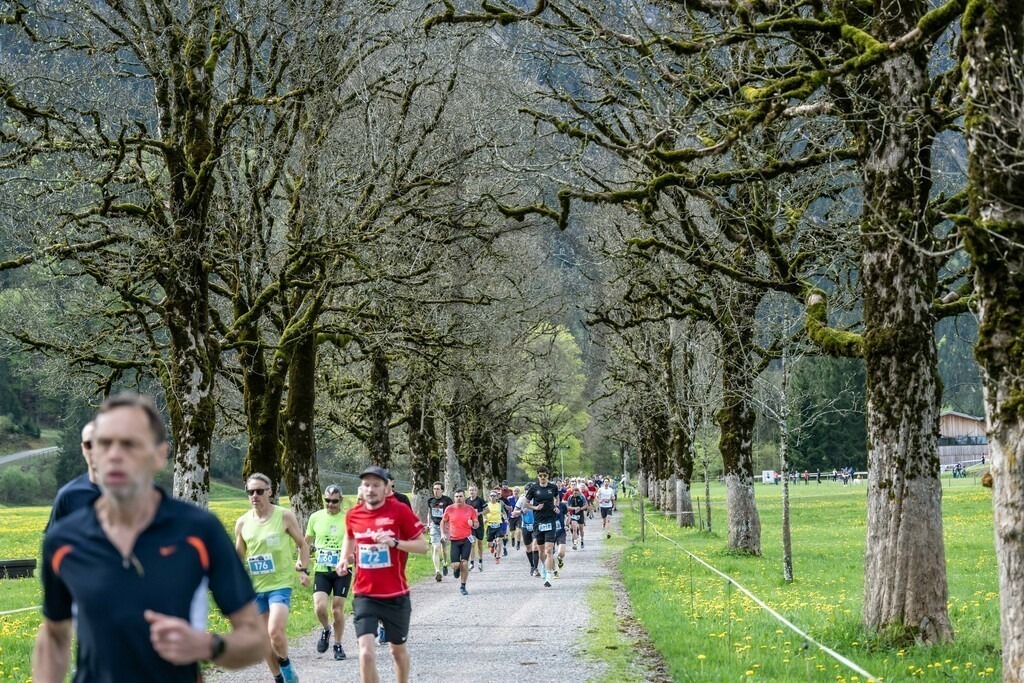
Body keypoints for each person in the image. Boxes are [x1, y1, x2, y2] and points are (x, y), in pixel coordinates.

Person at [33, 393, 268, 682]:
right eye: (104, 443)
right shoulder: (63, 541)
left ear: (159, 454)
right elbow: (55, 636)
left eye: (130, 443)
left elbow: (256, 641)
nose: (115, 454)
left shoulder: (199, 531)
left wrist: (206, 644)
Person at [338, 465, 428, 683]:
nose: (370, 489)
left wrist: (395, 542)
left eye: (376, 485)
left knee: (397, 652)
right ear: (361, 488)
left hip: (395, 595)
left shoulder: (399, 511)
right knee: (366, 654)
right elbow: (350, 537)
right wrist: (344, 557)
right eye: (366, 485)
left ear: (386, 487)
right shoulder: (353, 515)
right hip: (365, 594)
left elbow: (423, 546)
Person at [235, 472, 311, 683]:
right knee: (264, 641)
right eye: (251, 492)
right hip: (255, 588)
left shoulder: (284, 515)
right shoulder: (242, 523)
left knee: (275, 633)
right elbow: (238, 558)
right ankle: (278, 678)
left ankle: (286, 667)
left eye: (260, 491)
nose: (255, 495)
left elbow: (302, 544)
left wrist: (303, 569)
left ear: (270, 491)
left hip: (280, 585)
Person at [304, 484, 352, 662]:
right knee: (320, 607)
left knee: (337, 610)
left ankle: (338, 645)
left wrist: (352, 556)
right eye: (327, 500)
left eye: (334, 501)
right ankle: (326, 629)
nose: (330, 504)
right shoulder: (315, 517)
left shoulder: (348, 518)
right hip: (322, 570)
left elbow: (356, 541)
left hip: (342, 570)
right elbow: (305, 542)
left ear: (341, 500)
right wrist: (303, 563)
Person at [46, 422, 101, 530]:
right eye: (89, 445)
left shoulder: (134, 493)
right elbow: (54, 542)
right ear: (83, 449)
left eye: (100, 443)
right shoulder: (68, 496)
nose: (95, 450)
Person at [523, 466, 560, 588]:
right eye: (540, 475)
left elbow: (557, 498)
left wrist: (556, 506)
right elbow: (526, 504)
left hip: (550, 520)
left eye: (545, 475)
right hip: (538, 522)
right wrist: (535, 507)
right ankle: (544, 566)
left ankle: (549, 575)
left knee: (549, 550)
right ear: (538, 476)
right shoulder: (534, 488)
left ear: (547, 476)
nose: (543, 478)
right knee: (541, 551)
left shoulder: (553, 487)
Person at [440, 488, 479, 596]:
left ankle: (463, 586)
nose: (459, 498)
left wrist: (473, 524)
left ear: (464, 497)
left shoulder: (470, 509)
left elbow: (477, 524)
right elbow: (443, 522)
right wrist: (443, 534)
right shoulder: (449, 509)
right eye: (457, 496)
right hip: (454, 540)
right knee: (456, 565)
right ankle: (456, 569)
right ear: (454, 498)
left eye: (461, 496)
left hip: (466, 539)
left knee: (465, 563)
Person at [425, 482, 453, 582]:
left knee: (444, 549)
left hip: (445, 527)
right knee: (436, 548)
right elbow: (429, 513)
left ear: (442, 490)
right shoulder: (430, 501)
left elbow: (452, 513)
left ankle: (445, 563)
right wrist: (428, 524)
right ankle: (437, 571)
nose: (435, 491)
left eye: (438, 489)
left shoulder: (447, 500)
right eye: (434, 489)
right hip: (434, 526)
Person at [464, 485, 487, 571]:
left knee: (480, 544)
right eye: (470, 490)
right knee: (472, 543)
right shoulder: (466, 501)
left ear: (476, 491)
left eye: (473, 490)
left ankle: (480, 562)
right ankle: (472, 563)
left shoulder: (480, 500)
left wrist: (479, 513)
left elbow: (487, 510)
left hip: (479, 524)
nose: (471, 492)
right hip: (470, 526)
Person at [483, 490, 509, 563]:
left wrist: (506, 519)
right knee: (489, 544)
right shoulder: (486, 505)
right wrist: (484, 519)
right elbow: (483, 514)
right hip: (490, 525)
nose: (492, 497)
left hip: (498, 524)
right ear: (489, 497)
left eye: (494, 496)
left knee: (499, 541)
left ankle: (497, 557)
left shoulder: (499, 505)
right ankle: (492, 546)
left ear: (496, 497)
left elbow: (504, 513)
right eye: (491, 496)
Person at [566, 484, 588, 550]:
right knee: (574, 529)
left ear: (579, 492)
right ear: (572, 492)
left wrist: (580, 509)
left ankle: (582, 540)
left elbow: (586, 505)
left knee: (581, 529)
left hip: (580, 514)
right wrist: (574, 508)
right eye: (574, 491)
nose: (575, 493)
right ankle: (575, 544)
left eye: (577, 491)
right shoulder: (570, 497)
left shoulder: (581, 497)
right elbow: (568, 507)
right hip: (573, 515)